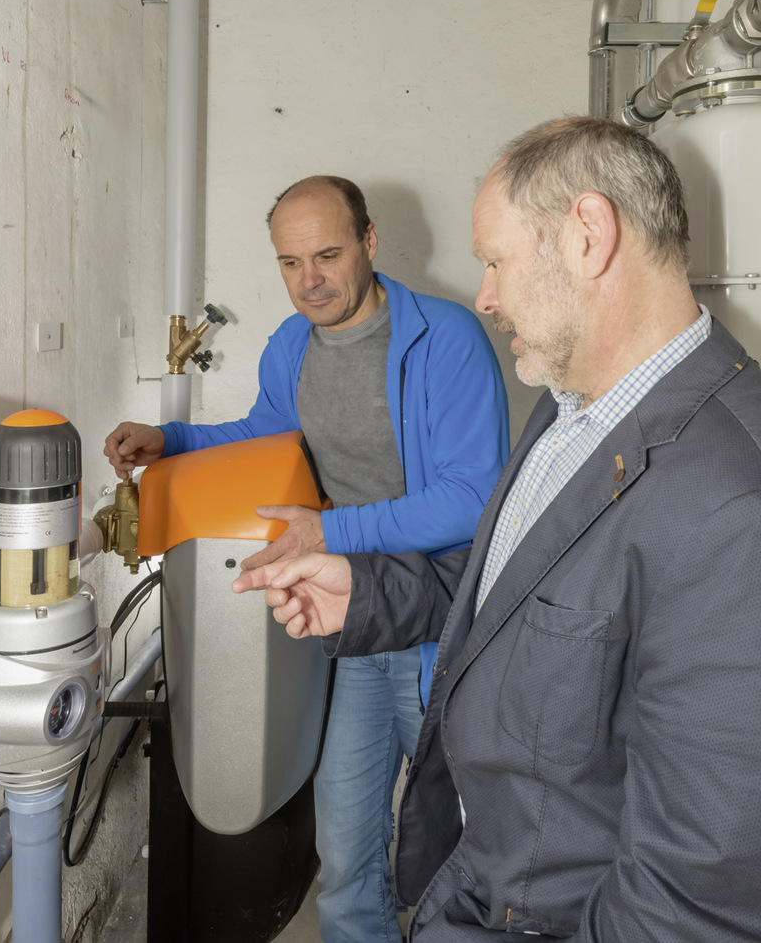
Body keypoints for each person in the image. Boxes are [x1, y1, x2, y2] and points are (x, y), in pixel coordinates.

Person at [233, 119, 761, 942]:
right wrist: (367, 591)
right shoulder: (567, 406)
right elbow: (510, 593)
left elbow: (691, 903)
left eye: (496, 260)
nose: (483, 293)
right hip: (482, 881)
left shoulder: (735, 501)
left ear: (588, 235)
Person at [104, 175, 509, 943]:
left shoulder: (446, 336)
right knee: (347, 849)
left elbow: (474, 495)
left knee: (464, 854)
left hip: (444, 628)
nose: (309, 280)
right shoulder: (291, 345)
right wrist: (174, 440)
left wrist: (333, 532)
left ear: (370, 242)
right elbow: (266, 435)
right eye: (290, 263)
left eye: (326, 254)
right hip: (351, 625)